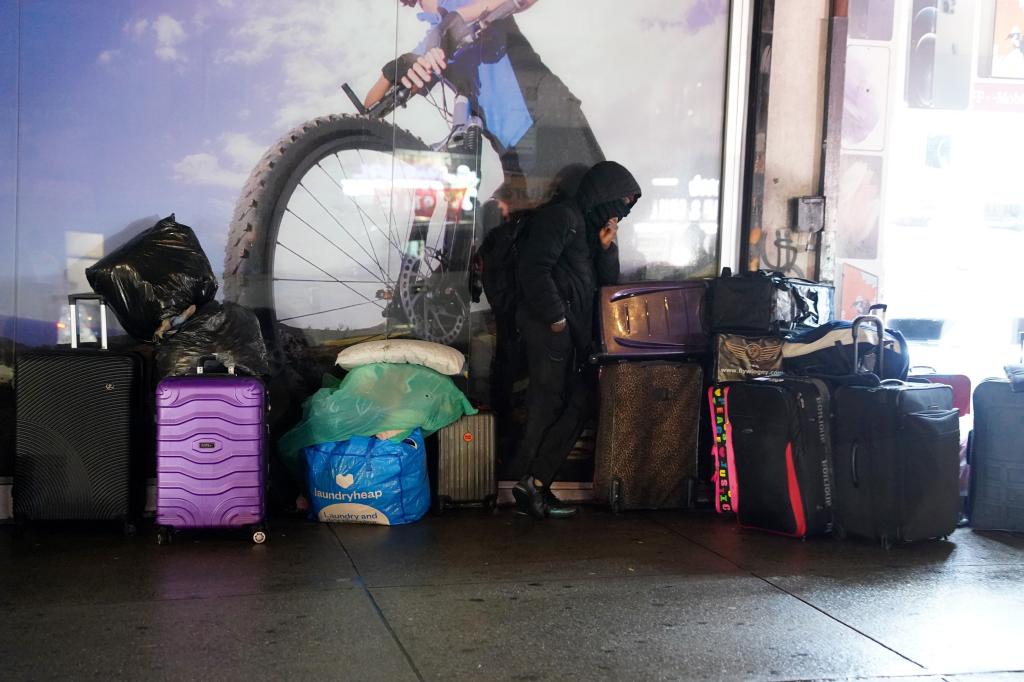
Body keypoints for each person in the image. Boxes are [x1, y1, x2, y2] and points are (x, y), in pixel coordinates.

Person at [365, 0, 605, 211]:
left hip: (549, 119)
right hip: (512, 155)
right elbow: (368, 109)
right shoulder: (430, 43)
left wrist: (461, 17)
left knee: (592, 222)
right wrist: (397, 68)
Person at [510, 160, 641, 518]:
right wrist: (556, 319)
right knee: (547, 406)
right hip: (550, 332)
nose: (623, 211)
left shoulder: (587, 228)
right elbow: (534, 270)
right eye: (622, 201)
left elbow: (606, 285)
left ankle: (535, 483)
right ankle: (528, 485)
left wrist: (606, 247)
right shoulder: (562, 218)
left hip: (574, 336)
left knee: (579, 402)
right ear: (604, 193)